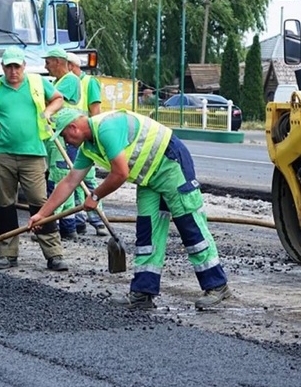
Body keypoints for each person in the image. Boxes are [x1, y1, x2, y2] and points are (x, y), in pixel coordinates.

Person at [28, 108, 232, 310]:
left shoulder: (106, 129)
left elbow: (120, 173)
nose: (65, 141)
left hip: (171, 163)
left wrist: (96, 195)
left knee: (190, 226)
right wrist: (42, 214)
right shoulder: (88, 148)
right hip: (149, 178)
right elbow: (70, 181)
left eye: (64, 135)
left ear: (73, 128)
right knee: (147, 233)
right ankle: (143, 292)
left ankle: (217, 285)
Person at [0, 46, 68, 271]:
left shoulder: (38, 84)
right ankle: (8, 253)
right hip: (2, 153)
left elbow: (58, 99)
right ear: (3, 67)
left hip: (33, 154)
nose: (13, 71)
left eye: (17, 66)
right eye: (9, 66)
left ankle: (53, 254)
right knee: (4, 204)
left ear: (24, 66)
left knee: (40, 203)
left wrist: (49, 112)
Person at [42, 47, 82, 240]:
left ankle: (54, 226)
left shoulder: (70, 80)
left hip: (65, 137)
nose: (46, 66)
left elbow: (49, 99)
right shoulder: (60, 81)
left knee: (58, 180)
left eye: (48, 62)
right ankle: (68, 226)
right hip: (59, 136)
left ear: (58, 61)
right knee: (61, 178)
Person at [66, 52, 107, 237]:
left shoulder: (89, 83)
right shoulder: (65, 82)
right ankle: (79, 220)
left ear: (71, 66)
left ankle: (98, 220)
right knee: (72, 178)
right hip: (71, 136)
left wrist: (94, 139)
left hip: (85, 137)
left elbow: (95, 112)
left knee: (88, 179)